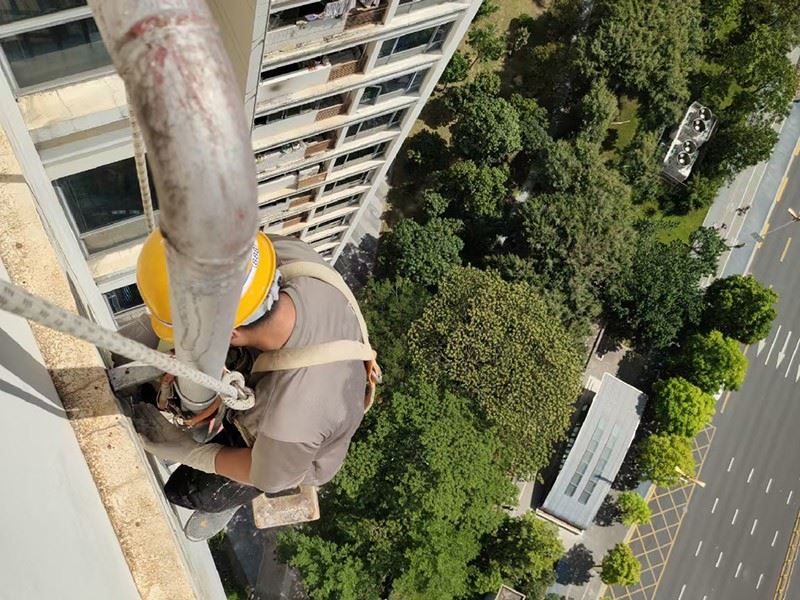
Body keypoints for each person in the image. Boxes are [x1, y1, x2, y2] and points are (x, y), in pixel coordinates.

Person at [132, 230, 377, 539]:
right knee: (154, 384)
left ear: (231, 333)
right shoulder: (279, 253)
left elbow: (269, 476)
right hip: (282, 369)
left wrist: (187, 451)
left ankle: (227, 497)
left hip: (290, 447)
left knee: (186, 490)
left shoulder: (293, 416)